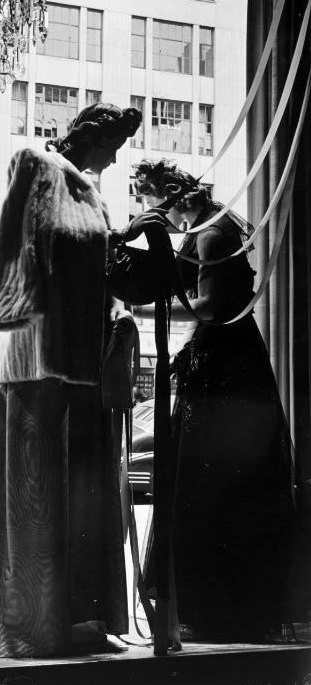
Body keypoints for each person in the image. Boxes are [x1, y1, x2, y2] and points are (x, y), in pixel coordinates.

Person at [0, 102, 142, 658]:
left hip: (85, 362)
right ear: (91, 134)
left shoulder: (95, 194)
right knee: (36, 492)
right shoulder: (36, 164)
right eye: (114, 143)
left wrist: (118, 308)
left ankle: (83, 615)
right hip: (39, 360)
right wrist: (12, 309)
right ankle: (30, 624)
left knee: (82, 495)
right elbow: (20, 244)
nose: (116, 156)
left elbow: (95, 268)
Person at [131, 158, 297, 642]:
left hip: (224, 360)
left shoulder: (208, 235)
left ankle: (218, 603)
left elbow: (209, 306)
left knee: (211, 477)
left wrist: (140, 308)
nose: (158, 214)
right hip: (234, 356)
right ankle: (230, 602)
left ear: (175, 198)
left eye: (155, 203)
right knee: (223, 478)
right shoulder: (215, 224)